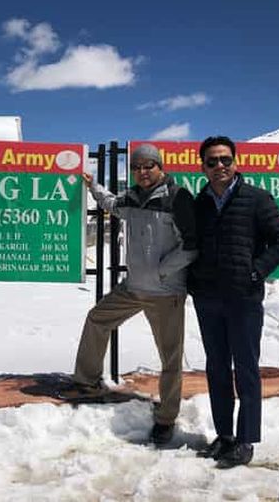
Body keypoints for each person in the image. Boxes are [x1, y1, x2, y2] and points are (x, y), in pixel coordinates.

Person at [69, 143, 197, 445]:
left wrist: (162, 271)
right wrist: (93, 186)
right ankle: (87, 382)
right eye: (137, 167)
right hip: (133, 288)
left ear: (160, 166)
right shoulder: (133, 197)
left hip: (166, 292)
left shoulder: (177, 197)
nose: (142, 172)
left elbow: (192, 245)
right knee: (97, 319)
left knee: (170, 357)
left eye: (148, 166)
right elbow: (112, 204)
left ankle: (166, 419)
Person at [190, 136, 279, 469]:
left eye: (225, 159)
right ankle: (225, 435)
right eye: (212, 161)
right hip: (208, 299)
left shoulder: (257, 199)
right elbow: (191, 245)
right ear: (203, 167)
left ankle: (246, 439)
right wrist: (193, 282)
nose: (219, 166)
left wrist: (256, 271)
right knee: (217, 367)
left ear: (235, 162)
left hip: (243, 299)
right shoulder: (200, 203)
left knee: (246, 368)